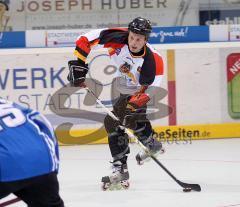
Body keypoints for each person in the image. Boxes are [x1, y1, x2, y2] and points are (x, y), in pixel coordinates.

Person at [67, 17, 165, 189]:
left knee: (114, 120)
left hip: (143, 86)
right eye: (132, 37)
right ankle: (151, 143)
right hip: (124, 81)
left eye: (139, 39)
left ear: (146, 39)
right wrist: (78, 64)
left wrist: (132, 106)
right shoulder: (117, 37)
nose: (134, 42)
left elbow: (148, 91)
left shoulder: (152, 63)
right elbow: (84, 39)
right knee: (129, 119)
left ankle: (120, 168)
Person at [0, 98, 64, 206]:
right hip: (41, 162)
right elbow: (46, 126)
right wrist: (52, 170)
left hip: (5, 165)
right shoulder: (11, 105)